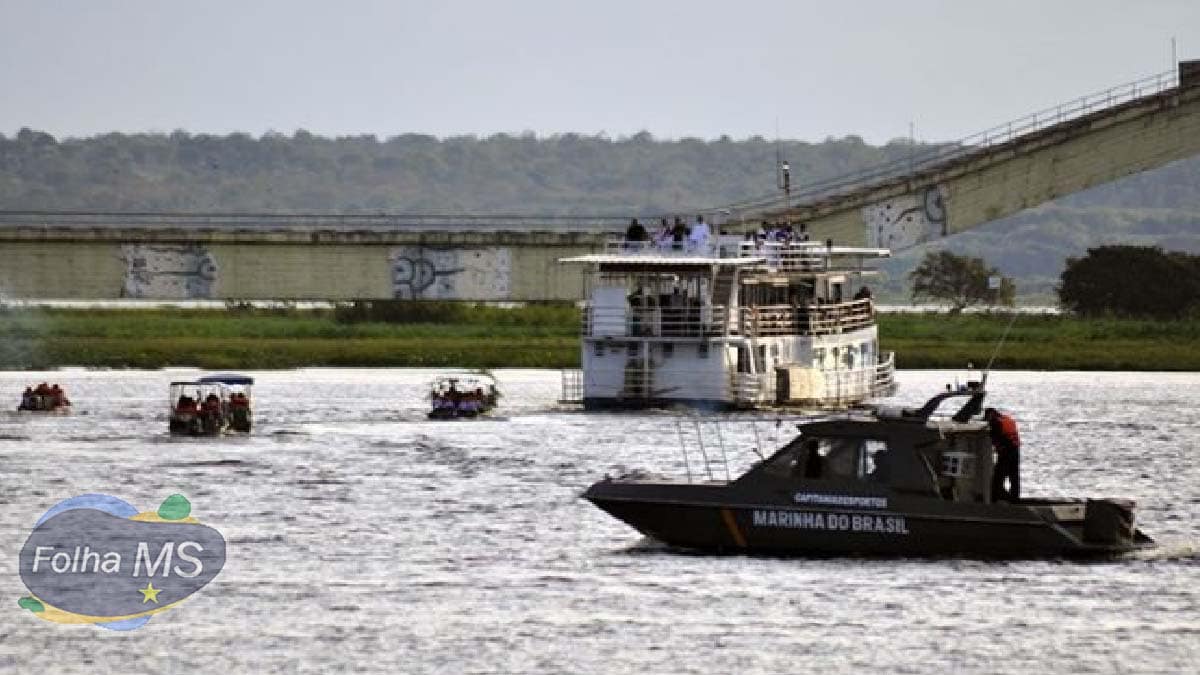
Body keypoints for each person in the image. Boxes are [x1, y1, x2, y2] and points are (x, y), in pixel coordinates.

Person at [984, 407, 1021, 502]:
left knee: (998, 477)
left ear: (991, 415)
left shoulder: (996, 423)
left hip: (1006, 452)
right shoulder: (1008, 419)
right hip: (1015, 450)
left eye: (987, 417)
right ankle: (1014, 498)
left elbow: (993, 437)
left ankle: (995, 499)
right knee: (1014, 476)